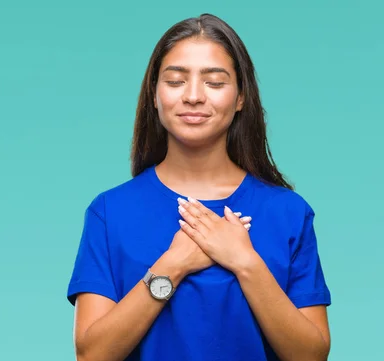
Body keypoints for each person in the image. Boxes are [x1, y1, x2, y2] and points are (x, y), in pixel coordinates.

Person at [65, 13, 332, 361]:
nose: (193, 96)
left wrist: (245, 262)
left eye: (215, 83)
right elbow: (92, 355)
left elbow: (311, 355)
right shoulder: (110, 212)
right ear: (154, 95)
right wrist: (172, 265)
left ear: (240, 98)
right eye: (175, 81)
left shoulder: (288, 212)